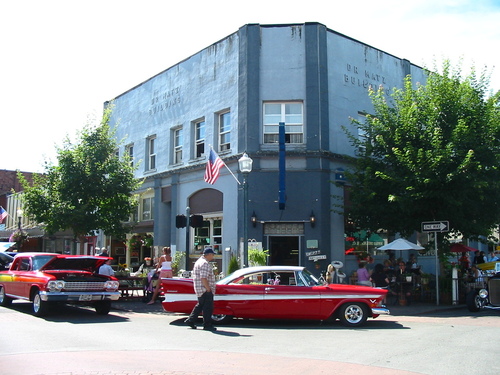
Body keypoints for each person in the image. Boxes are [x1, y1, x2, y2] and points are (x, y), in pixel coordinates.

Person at [185, 248, 217, 331]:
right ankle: (207, 324)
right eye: (212, 255)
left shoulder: (198, 262)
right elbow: (203, 277)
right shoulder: (205, 263)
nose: (213, 257)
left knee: (200, 305)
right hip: (204, 289)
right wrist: (208, 289)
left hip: (199, 288)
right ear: (208, 254)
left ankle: (191, 320)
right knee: (208, 308)